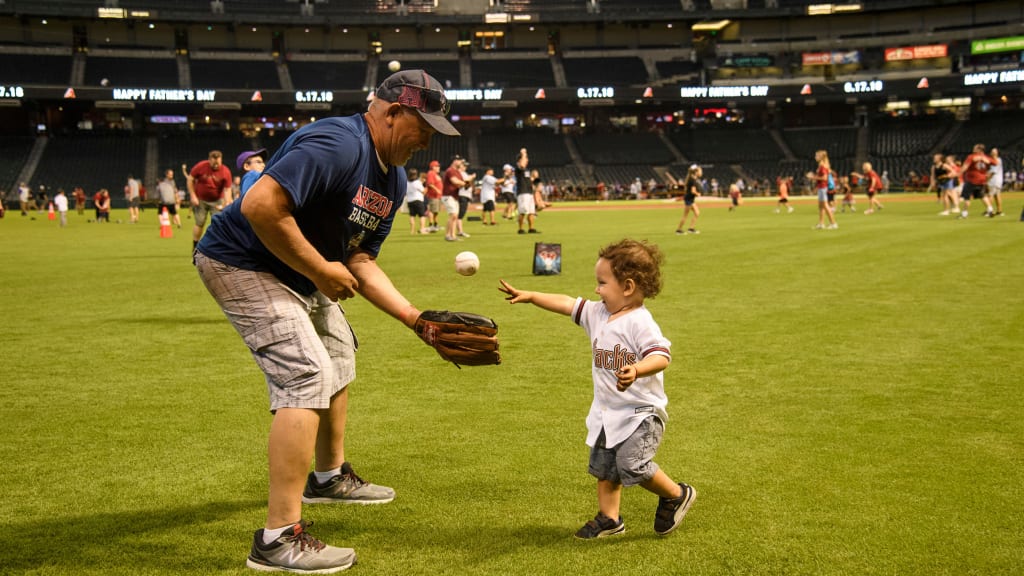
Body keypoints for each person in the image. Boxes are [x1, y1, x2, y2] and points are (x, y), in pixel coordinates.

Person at [194, 69, 463, 573]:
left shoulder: (394, 177)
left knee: (338, 353)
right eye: (422, 126)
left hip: (296, 271)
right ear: (389, 111)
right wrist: (319, 268)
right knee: (306, 372)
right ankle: (277, 538)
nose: (427, 140)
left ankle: (329, 477)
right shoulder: (339, 143)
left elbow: (359, 259)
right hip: (241, 261)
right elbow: (259, 204)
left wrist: (415, 319)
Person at [498, 238, 696, 539]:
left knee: (633, 465)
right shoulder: (598, 313)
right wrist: (531, 295)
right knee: (604, 466)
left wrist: (637, 369)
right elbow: (568, 304)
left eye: (602, 283)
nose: (596, 290)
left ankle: (676, 494)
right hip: (607, 411)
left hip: (640, 413)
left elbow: (661, 355)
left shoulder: (640, 322)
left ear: (627, 287)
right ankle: (609, 519)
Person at [187, 150, 233, 250]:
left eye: (218, 162)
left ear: (221, 160)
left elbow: (227, 189)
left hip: (217, 201)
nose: (216, 165)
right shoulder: (201, 166)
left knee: (217, 224)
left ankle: (215, 247)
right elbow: (190, 179)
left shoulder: (225, 171)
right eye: (213, 162)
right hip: (201, 200)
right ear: (209, 160)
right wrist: (192, 195)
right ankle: (195, 245)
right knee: (200, 223)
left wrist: (227, 202)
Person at [957, 144, 996, 219]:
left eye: (975, 148)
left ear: (979, 150)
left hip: (971, 180)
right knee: (982, 195)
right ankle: (990, 210)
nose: (973, 149)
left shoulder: (971, 157)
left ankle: (964, 214)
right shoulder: (986, 157)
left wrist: (959, 173)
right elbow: (995, 163)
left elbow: (965, 166)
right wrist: (992, 156)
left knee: (967, 197)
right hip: (982, 180)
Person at [514, 148, 539, 234]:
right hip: (523, 192)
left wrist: (533, 180)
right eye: (525, 158)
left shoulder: (527, 170)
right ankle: (520, 229)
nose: (527, 160)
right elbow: (522, 165)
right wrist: (523, 153)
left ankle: (531, 228)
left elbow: (528, 180)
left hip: (529, 192)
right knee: (523, 211)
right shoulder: (519, 167)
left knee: (531, 211)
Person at [812, 150, 838, 230]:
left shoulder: (823, 166)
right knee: (821, 206)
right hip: (821, 187)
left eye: (817, 156)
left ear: (821, 157)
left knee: (825, 206)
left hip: (823, 188)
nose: (815, 157)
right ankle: (821, 223)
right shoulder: (822, 166)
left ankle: (833, 223)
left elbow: (824, 178)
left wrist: (813, 177)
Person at [675, 164, 702, 235]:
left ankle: (691, 229)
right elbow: (693, 191)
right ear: (696, 172)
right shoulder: (692, 180)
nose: (701, 172)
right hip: (689, 200)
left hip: (690, 199)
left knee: (697, 213)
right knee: (685, 215)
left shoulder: (692, 178)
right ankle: (678, 230)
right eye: (700, 170)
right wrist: (698, 194)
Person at [404, 167, 429, 234]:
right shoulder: (417, 182)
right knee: (422, 216)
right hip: (418, 200)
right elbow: (423, 191)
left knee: (412, 216)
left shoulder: (407, 182)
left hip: (410, 201)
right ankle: (422, 229)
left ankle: (412, 231)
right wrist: (427, 187)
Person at [424, 159, 443, 232]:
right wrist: (437, 190)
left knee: (436, 211)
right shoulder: (431, 173)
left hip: (437, 196)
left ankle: (435, 224)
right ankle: (431, 225)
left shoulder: (436, 174)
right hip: (433, 195)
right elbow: (430, 184)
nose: (439, 167)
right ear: (433, 167)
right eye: (437, 166)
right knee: (432, 210)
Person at [985, 147, 1004, 217]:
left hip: (994, 180)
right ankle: (999, 211)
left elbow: (993, 172)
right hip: (998, 180)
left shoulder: (996, 160)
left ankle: (990, 211)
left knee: (990, 195)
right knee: (997, 195)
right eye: (992, 151)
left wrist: (986, 180)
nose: (992, 152)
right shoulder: (999, 159)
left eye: (993, 151)